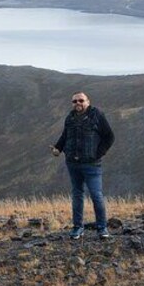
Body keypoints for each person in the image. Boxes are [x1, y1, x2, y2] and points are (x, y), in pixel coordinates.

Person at [51, 92, 115, 240]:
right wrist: (58, 148)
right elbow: (65, 135)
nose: (78, 103)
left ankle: (102, 228)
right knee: (77, 195)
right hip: (73, 163)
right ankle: (77, 228)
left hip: (91, 164)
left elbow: (109, 136)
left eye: (81, 100)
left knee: (96, 195)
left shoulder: (97, 115)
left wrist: (99, 153)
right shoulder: (70, 117)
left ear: (88, 101)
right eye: (74, 101)